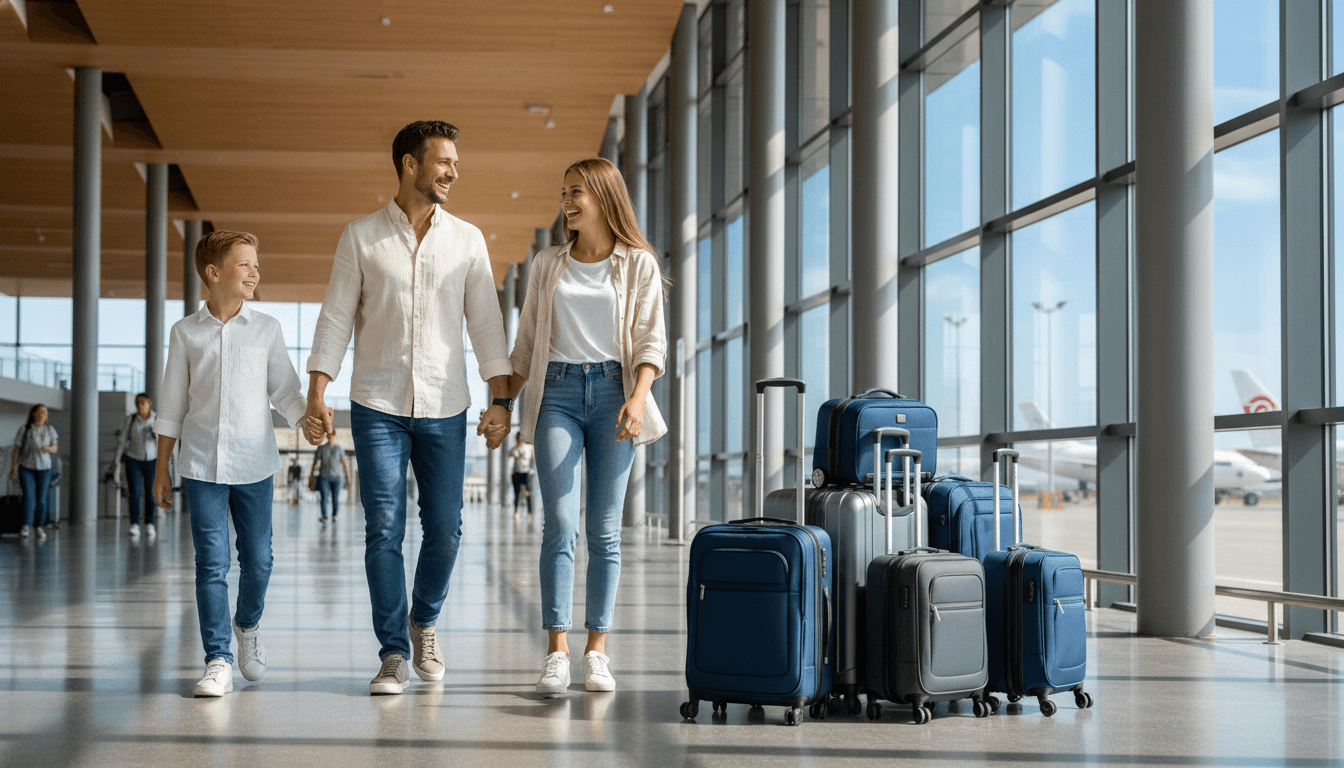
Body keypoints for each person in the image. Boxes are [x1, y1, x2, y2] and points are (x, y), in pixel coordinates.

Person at [303, 121, 513, 696]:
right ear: (408, 164)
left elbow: (487, 324)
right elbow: (335, 317)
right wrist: (317, 390)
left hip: (446, 404)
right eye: (442, 161)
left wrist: (501, 399)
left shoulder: (467, 239)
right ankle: (393, 650)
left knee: (445, 530)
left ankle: (424, 620)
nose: (451, 172)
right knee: (384, 529)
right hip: (376, 403)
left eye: (455, 164)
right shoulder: (361, 237)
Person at [495, 157, 667, 696]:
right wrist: (502, 402)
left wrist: (639, 398)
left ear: (603, 197)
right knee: (561, 522)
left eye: (577, 192)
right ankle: (556, 650)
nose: (567, 202)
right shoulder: (548, 264)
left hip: (617, 394)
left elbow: (650, 341)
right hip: (559, 395)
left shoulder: (637, 264)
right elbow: (525, 345)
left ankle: (597, 649)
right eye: (564, 192)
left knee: (605, 529)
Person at [152, 230, 315, 698]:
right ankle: (218, 658)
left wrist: (305, 417)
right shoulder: (185, 332)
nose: (254, 272)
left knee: (259, 561)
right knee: (211, 564)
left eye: (255, 264)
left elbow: (283, 389)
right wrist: (162, 467)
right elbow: (171, 404)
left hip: (255, 464)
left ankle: (248, 624)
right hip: (201, 464)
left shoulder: (267, 329)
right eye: (245, 264)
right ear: (214, 273)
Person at [109, 393, 158, 538]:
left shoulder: (157, 420)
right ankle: (134, 524)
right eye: (138, 403)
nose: (141, 405)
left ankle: (150, 523)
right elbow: (122, 441)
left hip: (152, 460)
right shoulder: (130, 420)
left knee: (150, 493)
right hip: (134, 459)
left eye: (143, 402)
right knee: (135, 492)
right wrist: (116, 460)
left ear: (149, 403)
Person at [10, 403, 58, 540]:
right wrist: (13, 468)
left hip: (45, 468)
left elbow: (55, 448)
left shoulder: (50, 430)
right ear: (34, 414)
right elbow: (16, 450)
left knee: (42, 499)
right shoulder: (25, 429)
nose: (44, 415)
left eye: (46, 412)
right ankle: (26, 525)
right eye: (42, 412)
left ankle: (39, 527)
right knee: (28, 497)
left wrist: (45, 449)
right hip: (26, 467)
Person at [311, 433, 350, 523]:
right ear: (326, 436)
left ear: (334, 435)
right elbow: (315, 462)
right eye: (328, 435)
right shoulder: (321, 448)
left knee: (335, 498)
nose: (330, 437)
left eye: (331, 435)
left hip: (337, 477)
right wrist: (312, 476)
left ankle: (335, 515)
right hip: (324, 477)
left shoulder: (338, 448)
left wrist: (348, 477)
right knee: (324, 497)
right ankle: (324, 516)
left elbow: (344, 463)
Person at [509, 432, 535, 518]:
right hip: (517, 472)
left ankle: (529, 512)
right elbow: (509, 454)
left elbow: (532, 458)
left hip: (526, 472)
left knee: (527, 492)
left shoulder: (529, 447)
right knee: (517, 493)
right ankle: (516, 512)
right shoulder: (515, 448)